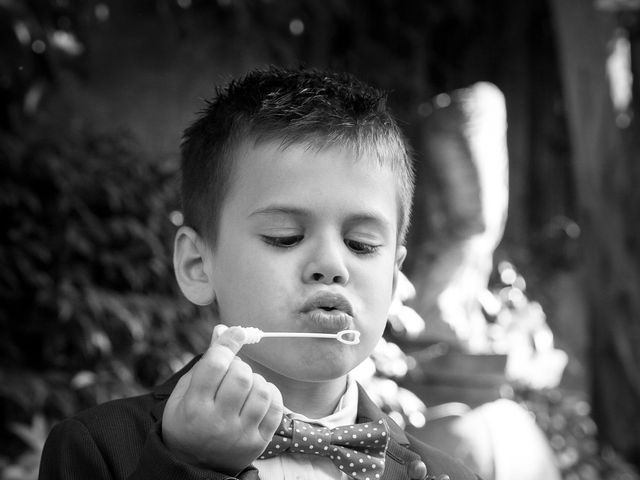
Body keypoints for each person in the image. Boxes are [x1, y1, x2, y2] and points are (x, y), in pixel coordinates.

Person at [39, 66, 480, 480]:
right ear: (197, 265)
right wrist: (192, 466)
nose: (331, 266)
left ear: (394, 277)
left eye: (362, 245)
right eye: (284, 236)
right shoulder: (100, 450)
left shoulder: (449, 474)